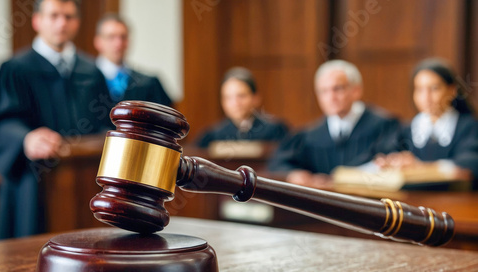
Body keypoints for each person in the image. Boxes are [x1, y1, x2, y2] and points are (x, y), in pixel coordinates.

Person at [0, 0, 113, 239]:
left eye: (69, 16)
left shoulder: (91, 71)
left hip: (85, 185)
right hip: (32, 185)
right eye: (54, 16)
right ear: (37, 21)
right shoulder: (15, 69)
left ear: (77, 22)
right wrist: (24, 139)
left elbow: (105, 122)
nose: (62, 23)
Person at [268, 60, 400, 187]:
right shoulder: (310, 135)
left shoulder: (384, 126)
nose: (331, 98)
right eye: (323, 91)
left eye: (338, 89)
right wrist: (295, 174)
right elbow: (278, 163)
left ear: (356, 90)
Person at [375, 58, 478, 186]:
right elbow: (384, 154)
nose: (426, 97)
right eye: (419, 89)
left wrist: (419, 166)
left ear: (452, 90)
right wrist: (390, 161)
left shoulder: (469, 127)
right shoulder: (407, 129)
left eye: (434, 89)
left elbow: (467, 168)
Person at [196, 67, 288, 148]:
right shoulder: (212, 135)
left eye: (241, 96)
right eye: (228, 97)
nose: (235, 103)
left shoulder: (276, 130)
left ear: (255, 98)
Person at [94, 14, 172, 106]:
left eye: (123, 37)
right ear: (98, 41)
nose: (118, 43)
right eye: (111, 37)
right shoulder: (82, 81)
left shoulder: (148, 84)